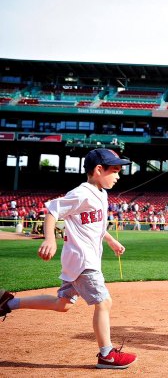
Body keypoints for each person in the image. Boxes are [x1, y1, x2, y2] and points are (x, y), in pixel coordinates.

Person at [0, 148, 137, 369]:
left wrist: (110, 241)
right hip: (84, 261)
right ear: (99, 170)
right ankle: (107, 354)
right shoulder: (82, 193)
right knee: (104, 302)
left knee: (61, 304)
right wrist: (50, 239)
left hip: (79, 260)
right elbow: (52, 211)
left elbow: (97, 225)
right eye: (115, 170)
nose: (118, 176)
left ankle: (9, 303)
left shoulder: (101, 193)